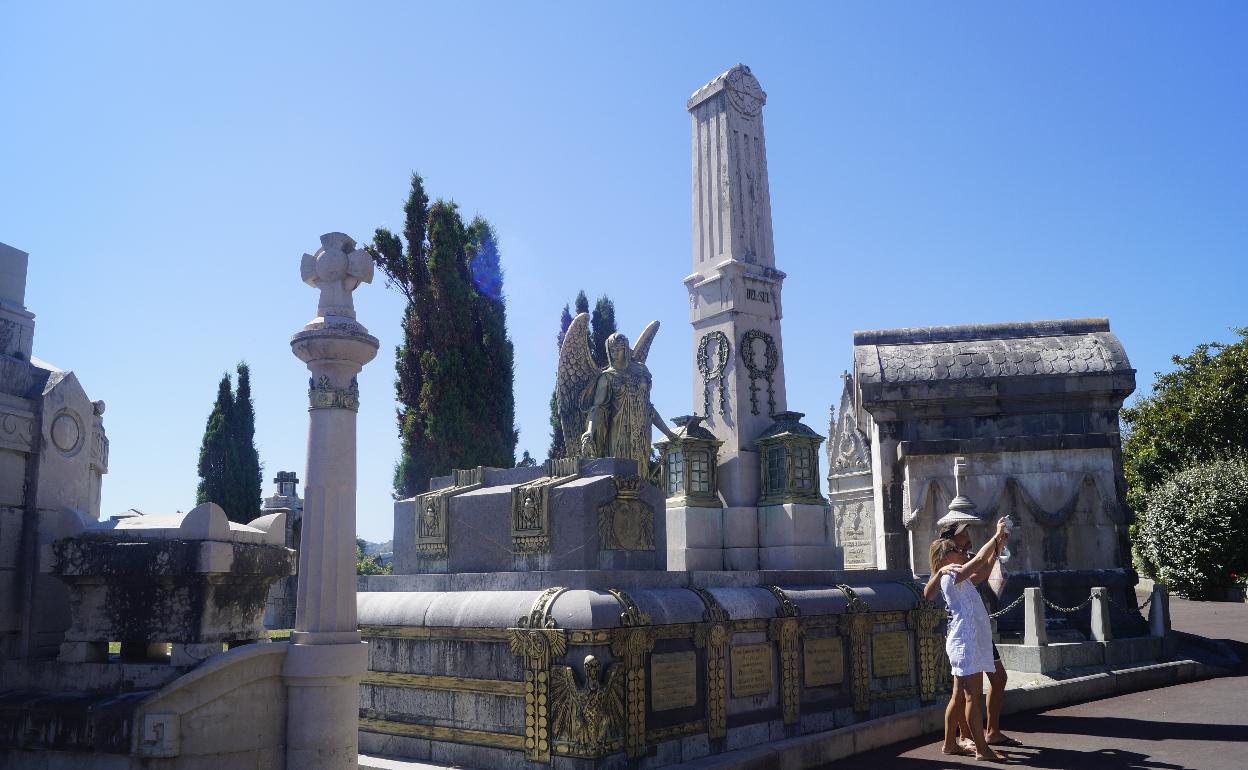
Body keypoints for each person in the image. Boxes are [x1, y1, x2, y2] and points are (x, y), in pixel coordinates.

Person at [924, 522, 1021, 753]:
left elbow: (983, 570)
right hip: (966, 638)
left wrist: (998, 545)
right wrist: (996, 537)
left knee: (966, 693)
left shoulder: (957, 573)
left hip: (976, 636)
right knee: (970, 696)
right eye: (956, 547)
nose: (963, 546)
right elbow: (977, 562)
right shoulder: (950, 574)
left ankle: (954, 743)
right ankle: (979, 747)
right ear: (946, 554)